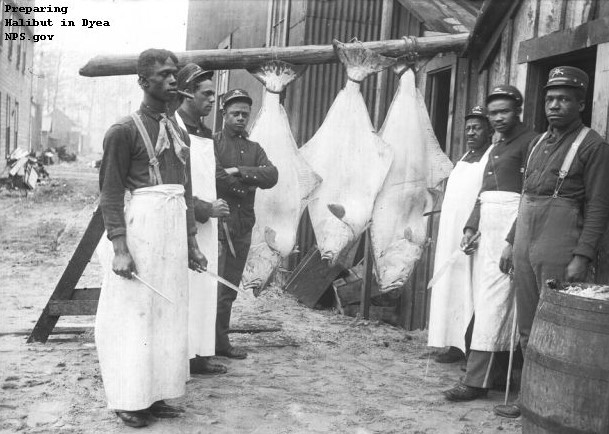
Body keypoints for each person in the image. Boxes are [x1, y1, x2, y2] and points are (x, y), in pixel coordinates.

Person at [96, 48, 208, 428]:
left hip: (173, 228)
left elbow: (186, 191)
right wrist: (120, 248)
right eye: (162, 74)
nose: (172, 79)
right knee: (136, 315)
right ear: (143, 82)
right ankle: (129, 399)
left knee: (167, 314)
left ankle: (155, 394)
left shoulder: (179, 132)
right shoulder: (122, 131)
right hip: (142, 229)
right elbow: (110, 194)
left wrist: (191, 242)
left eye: (174, 73)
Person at [495, 66, 609, 418]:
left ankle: (556, 403)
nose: (554, 105)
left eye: (563, 99)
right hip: (527, 237)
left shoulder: (594, 146)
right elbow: (526, 195)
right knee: (527, 322)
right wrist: (510, 241)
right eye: (549, 99)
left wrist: (582, 255)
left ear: (579, 104)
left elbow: (600, 206)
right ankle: (529, 396)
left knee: (555, 324)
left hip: (561, 241)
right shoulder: (536, 143)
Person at [443, 85, 537, 402]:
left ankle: (475, 380)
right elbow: (485, 194)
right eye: (493, 113)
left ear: (518, 110)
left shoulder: (531, 142)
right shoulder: (496, 147)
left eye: (504, 112)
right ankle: (497, 376)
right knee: (489, 301)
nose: (497, 118)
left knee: (496, 303)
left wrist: (512, 238)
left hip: (513, 230)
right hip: (489, 231)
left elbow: (529, 197)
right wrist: (472, 227)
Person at [174, 63, 231, 375]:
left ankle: (199, 355)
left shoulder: (205, 133)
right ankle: (183, 356)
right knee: (185, 291)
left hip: (207, 229)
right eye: (206, 94)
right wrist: (205, 209)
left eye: (214, 94)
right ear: (186, 95)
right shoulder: (176, 130)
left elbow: (212, 176)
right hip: (186, 226)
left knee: (204, 291)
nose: (212, 100)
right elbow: (175, 185)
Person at [214, 89, 278, 359]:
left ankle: (220, 343)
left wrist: (240, 172)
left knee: (229, 288)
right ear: (224, 115)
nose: (240, 118)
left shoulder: (254, 148)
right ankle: (206, 343)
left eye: (244, 114)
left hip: (242, 226)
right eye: (235, 114)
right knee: (213, 287)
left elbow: (272, 175)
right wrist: (247, 183)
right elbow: (215, 176)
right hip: (219, 225)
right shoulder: (213, 143)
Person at [427, 106, 493, 364]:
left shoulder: (490, 158)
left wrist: (474, 228)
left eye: (477, 127)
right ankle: (453, 344)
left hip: (473, 233)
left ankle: (470, 348)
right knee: (450, 286)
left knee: (471, 286)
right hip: (449, 233)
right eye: (468, 128)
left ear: (489, 129)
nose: (471, 132)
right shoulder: (464, 156)